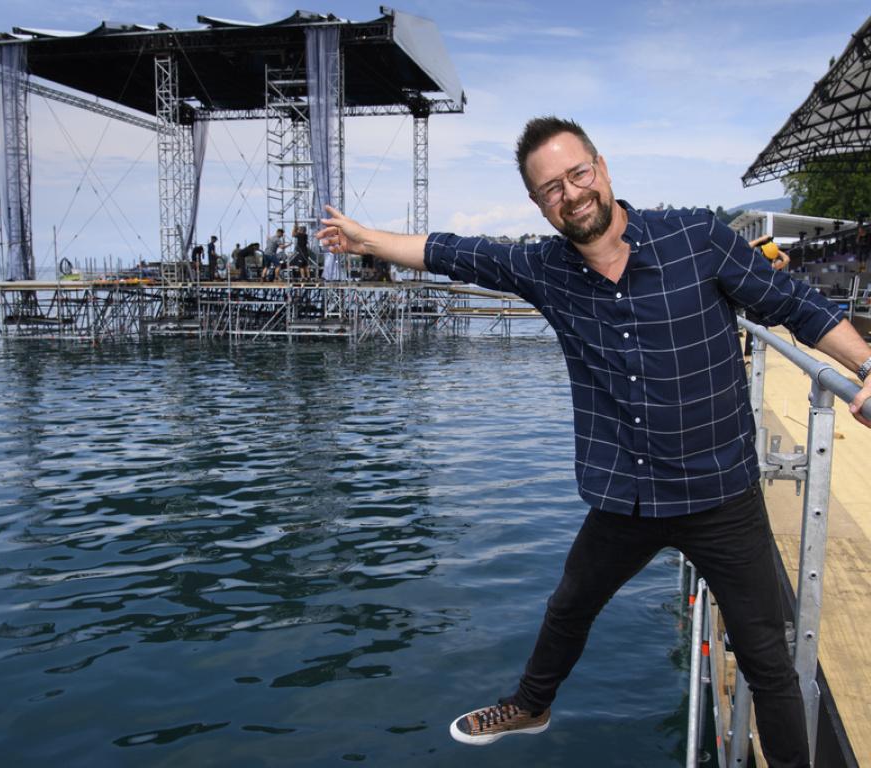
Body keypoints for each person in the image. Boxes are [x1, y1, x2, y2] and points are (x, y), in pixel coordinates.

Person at [317, 116, 871, 768]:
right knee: (569, 606)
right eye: (551, 188)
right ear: (538, 203)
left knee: (766, 661)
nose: (571, 193)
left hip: (721, 493)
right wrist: (366, 239)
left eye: (577, 174)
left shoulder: (696, 238)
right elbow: (451, 251)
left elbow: (794, 303)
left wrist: (865, 365)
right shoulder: (545, 268)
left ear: (601, 168)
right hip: (627, 497)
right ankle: (532, 705)